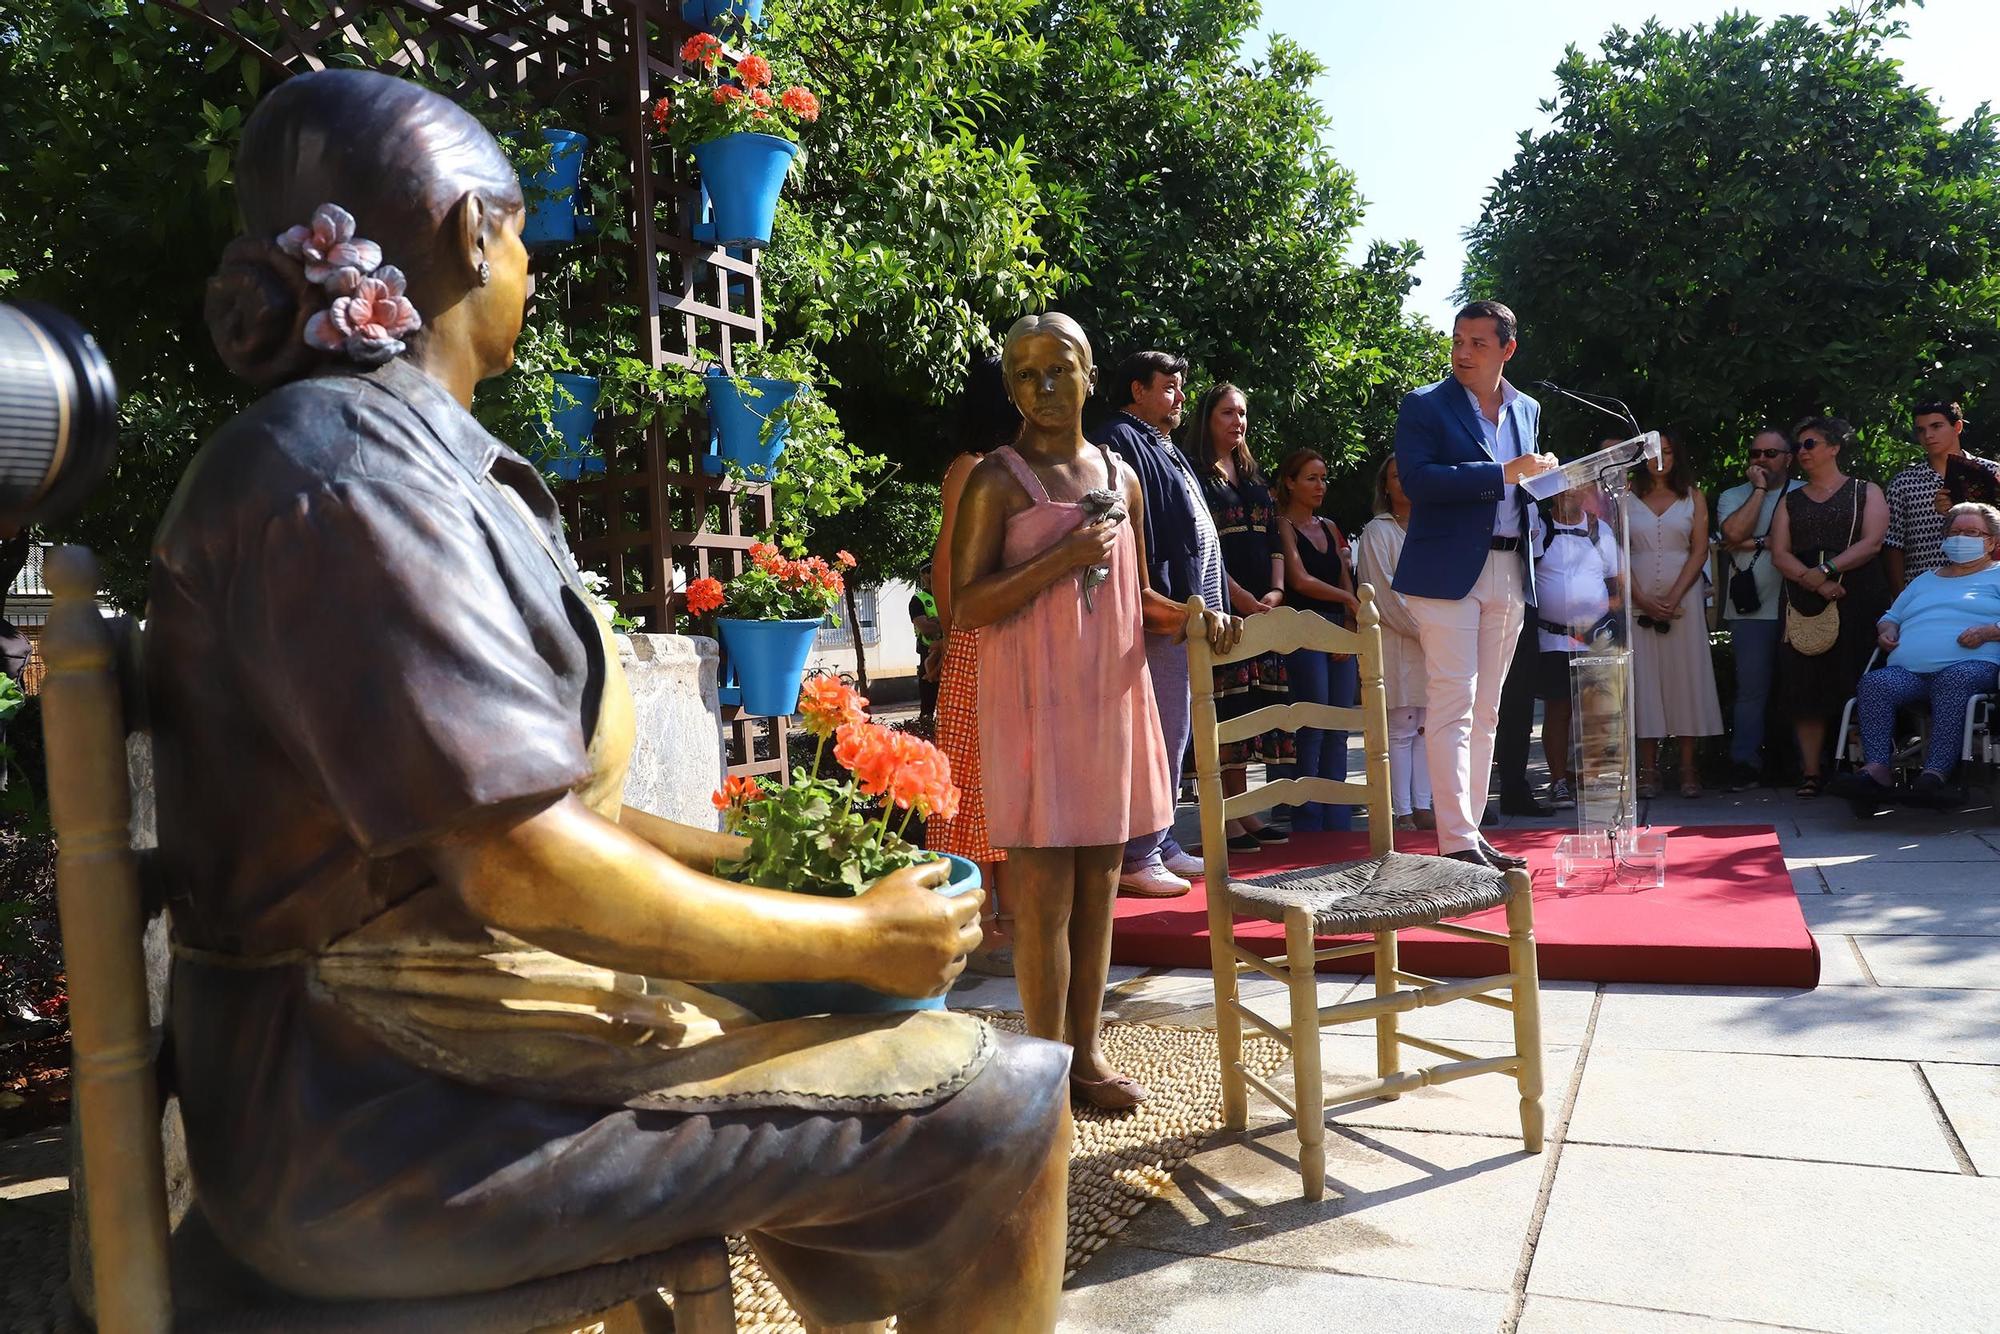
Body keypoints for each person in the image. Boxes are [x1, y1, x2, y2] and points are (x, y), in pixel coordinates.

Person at [159, 70, 1071, 1327]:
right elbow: (517, 863)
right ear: (472, 233)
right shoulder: (345, 477)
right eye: (523, 230)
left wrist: (779, 876)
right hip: (376, 1127)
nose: (526, 263)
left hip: (417, 1065)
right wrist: (852, 936)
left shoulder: (405, 461)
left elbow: (541, 810)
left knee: (860, 1006)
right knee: (1004, 1100)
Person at [952, 313, 1240, 1111]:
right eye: (1024, 374)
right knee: (1042, 901)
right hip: (1034, 704)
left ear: (1088, 375)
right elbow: (965, 606)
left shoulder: (1124, 474)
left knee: (1098, 895)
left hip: (1110, 701)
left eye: (1058, 370)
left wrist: (1192, 614)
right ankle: (1047, 1072)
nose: (1042, 389)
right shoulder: (998, 478)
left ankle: (1088, 1058)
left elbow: (1134, 593)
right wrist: (1060, 558)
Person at [1392, 300, 1558, 868]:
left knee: (1489, 708)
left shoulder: (1527, 409)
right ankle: (1456, 839)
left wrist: (1548, 477)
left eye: (1477, 343)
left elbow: (1523, 489)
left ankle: (1474, 832)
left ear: (1507, 350)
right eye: (1458, 340)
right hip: (1446, 572)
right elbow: (1418, 481)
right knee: (1453, 703)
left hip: (1511, 569)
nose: (1463, 352)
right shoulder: (1424, 405)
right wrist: (1505, 473)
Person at [1091, 349, 1220, 896]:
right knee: (1156, 730)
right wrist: (1157, 601)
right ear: (1137, 390)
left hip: (1177, 611)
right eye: (1168, 386)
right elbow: (1128, 536)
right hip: (1154, 612)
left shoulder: (1159, 442)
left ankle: (1160, 840)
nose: (1180, 397)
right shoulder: (1119, 438)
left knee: (1174, 729)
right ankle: (1139, 851)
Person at [929, 354, 1017, 961]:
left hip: (1006, 641)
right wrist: (957, 632)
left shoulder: (1015, 467)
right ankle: (983, 915)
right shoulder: (973, 468)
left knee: (1005, 776)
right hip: (979, 641)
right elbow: (947, 570)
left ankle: (1007, 913)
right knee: (976, 777)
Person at [1833, 502, 2000, 810]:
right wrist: (1887, 630)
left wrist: (1988, 631)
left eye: (1972, 532)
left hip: (1973, 667)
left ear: (1992, 541)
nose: (1961, 537)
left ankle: (1935, 774)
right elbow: (1891, 615)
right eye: (1955, 531)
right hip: (1909, 671)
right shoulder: (1925, 579)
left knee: (1954, 679)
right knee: (1875, 683)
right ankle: (1877, 772)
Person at [1189, 382, 1293, 851]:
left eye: (1243, 413)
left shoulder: (1252, 472)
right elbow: (1204, 550)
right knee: (1226, 714)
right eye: (1228, 413)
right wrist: (1240, 598)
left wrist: (1275, 589)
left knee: (1253, 712)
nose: (1238, 422)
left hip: (1262, 606)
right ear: (1209, 417)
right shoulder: (1195, 473)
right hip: (1224, 608)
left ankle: (1248, 814)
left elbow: (1274, 537)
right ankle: (1227, 820)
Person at [1770, 416, 1892, 797]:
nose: (1801, 452)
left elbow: (1873, 543)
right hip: (1802, 598)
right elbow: (1778, 553)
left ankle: (1864, 768)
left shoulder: (1865, 490)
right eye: (1799, 446)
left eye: (1810, 444)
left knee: (1856, 675)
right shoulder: (1790, 499)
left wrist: (1827, 570)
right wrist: (1816, 582)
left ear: (1834, 448)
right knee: (1804, 683)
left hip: (1858, 594)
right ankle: (1811, 772)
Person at [1624, 428, 1724, 797]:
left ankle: (1687, 768)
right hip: (1639, 597)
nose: (1659, 459)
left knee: (1687, 679)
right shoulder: (1625, 497)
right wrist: (1642, 599)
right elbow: (1616, 551)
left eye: (1666, 451)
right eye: (1652, 452)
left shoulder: (1693, 497)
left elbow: (1700, 551)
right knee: (1644, 680)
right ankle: (1648, 771)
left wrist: (1676, 596)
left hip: (1684, 600)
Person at [1273, 448, 1359, 832]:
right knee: (1311, 727)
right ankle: (1307, 822)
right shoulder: (1282, 525)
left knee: (1339, 726)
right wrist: (1347, 600)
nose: (1320, 486)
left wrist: (1348, 625)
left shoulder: (1330, 525)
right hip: (1303, 630)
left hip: (1337, 629)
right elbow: (1299, 580)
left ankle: (1337, 819)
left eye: (1323, 478)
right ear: (1290, 482)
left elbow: (1344, 577)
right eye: (1311, 478)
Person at [1714, 426, 1802, 789]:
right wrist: (1761, 489)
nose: (1761, 460)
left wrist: (1761, 541)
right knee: (1751, 690)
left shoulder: (1804, 493)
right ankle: (1744, 763)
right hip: (1751, 611)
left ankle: (1800, 766)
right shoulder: (1733, 495)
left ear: (1789, 458)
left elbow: (1806, 542)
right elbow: (1733, 535)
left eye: (1770, 454)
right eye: (1755, 454)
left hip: (1802, 607)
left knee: (1799, 688)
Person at [1531, 486, 1623, 808]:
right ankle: (1558, 780)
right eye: (1562, 488)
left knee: (1594, 712)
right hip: (1552, 637)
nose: (1568, 494)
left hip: (1594, 639)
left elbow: (1617, 581)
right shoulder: (1539, 526)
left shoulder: (1600, 529)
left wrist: (1608, 619)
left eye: (1575, 488)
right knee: (1558, 710)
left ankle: (1590, 779)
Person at [1355, 457, 1434, 831]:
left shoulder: (1434, 527)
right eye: (1395, 476)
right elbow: (1382, 594)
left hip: (1435, 642)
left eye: (1409, 474)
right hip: (1399, 638)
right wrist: (1431, 630)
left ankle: (1424, 805)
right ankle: (1401, 811)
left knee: (1428, 727)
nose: (1403, 482)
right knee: (1401, 728)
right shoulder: (1377, 532)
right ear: (1384, 486)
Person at [1883, 399, 2000, 592]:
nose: (1928, 435)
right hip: (1923, 589)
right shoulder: (1904, 483)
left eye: (1936, 426)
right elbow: (1893, 545)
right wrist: (1900, 596)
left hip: (1985, 586)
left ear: (1957, 427)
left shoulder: (1991, 472)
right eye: (1921, 430)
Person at [909, 564, 943, 726]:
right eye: (929, 572)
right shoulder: (918, 599)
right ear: (923, 575)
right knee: (928, 705)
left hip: (951, 651)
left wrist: (937, 622)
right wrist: (945, 624)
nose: (933, 575)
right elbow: (925, 627)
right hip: (928, 653)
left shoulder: (947, 594)